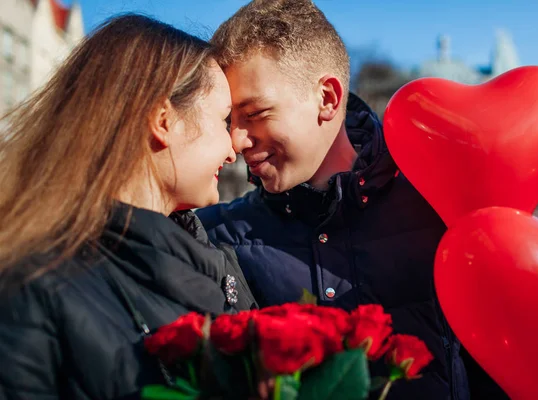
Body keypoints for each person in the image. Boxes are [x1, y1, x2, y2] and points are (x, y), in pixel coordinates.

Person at [195, 0, 485, 398]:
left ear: (328, 98)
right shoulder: (214, 238)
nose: (236, 140)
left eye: (256, 113)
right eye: (230, 121)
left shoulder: (438, 209)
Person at [0, 14, 256, 400]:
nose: (233, 147)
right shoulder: (31, 290)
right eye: (224, 120)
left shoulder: (220, 266)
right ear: (163, 120)